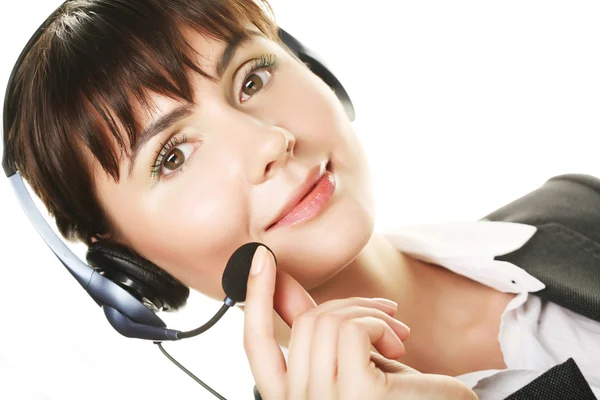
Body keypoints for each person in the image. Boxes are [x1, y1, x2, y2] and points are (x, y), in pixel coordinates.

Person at [2, 0, 598, 399]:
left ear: (318, 71)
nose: (269, 142)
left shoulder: (580, 208)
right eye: (173, 155)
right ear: (128, 270)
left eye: (252, 78)